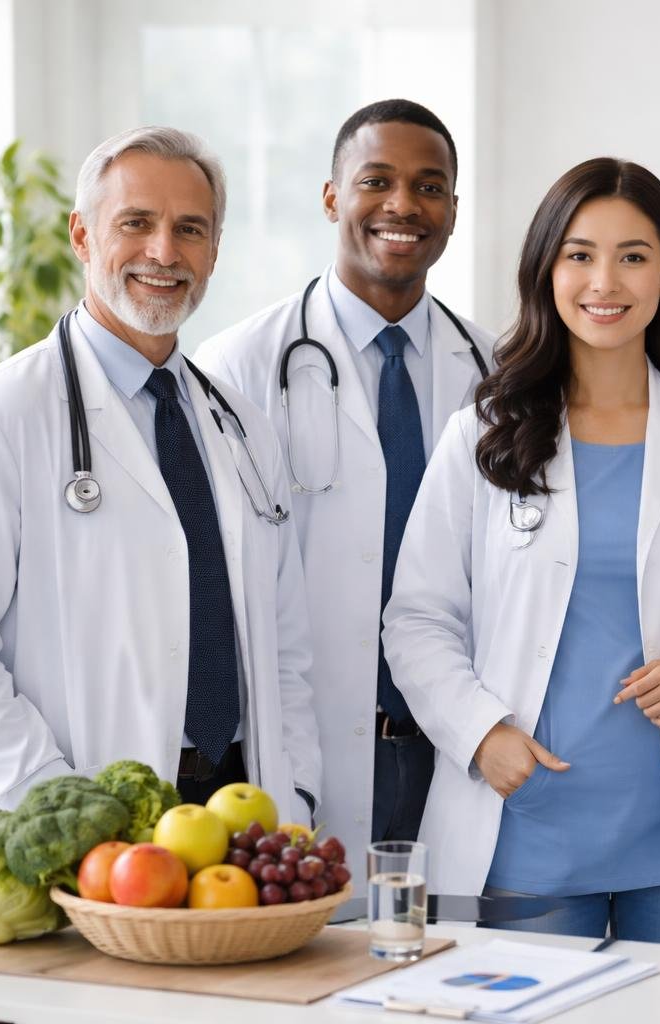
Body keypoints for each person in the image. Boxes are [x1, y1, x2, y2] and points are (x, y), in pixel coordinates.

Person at [381, 158, 660, 948]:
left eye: (633, 255)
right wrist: (481, 733)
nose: (604, 280)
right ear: (546, 269)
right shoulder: (482, 432)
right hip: (525, 823)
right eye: (579, 254)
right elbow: (417, 617)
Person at [0, 127, 320, 820]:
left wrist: (296, 791)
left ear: (214, 250)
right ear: (82, 235)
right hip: (79, 808)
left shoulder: (240, 426)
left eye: (190, 229)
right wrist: (60, 803)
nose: (164, 252)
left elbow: (285, 644)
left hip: (243, 806)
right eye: (136, 223)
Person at [198, 100, 496, 876]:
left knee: (453, 980)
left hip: (456, 748)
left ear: (454, 212)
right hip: (309, 746)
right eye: (376, 180)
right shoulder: (238, 367)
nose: (403, 205)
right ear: (332, 197)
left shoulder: (500, 374)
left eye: (429, 186)